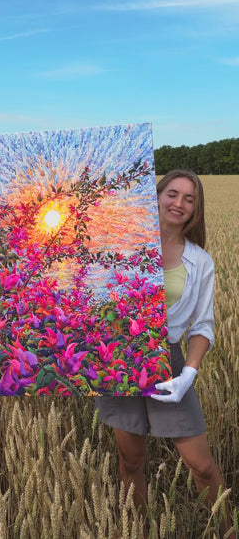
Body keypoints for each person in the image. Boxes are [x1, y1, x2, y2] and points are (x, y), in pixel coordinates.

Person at [96, 169, 231, 533]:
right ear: (156, 196)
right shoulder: (121, 244)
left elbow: (203, 325)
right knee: (131, 458)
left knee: (201, 466)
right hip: (120, 358)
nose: (179, 203)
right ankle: (139, 529)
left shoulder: (200, 261)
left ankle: (228, 532)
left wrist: (188, 372)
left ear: (195, 210)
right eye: (173, 194)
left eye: (190, 199)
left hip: (168, 360)